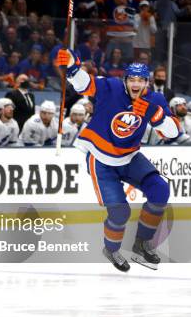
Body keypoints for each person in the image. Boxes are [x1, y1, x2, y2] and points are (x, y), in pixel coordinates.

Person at [57, 48, 181, 271]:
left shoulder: (155, 99)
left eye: (140, 80)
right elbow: (85, 84)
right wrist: (73, 67)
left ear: (147, 82)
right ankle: (111, 249)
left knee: (160, 190)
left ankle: (142, 243)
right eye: (131, 79)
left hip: (130, 156)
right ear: (125, 80)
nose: (135, 84)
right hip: (101, 158)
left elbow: (173, 132)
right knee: (120, 212)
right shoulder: (111, 87)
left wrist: (157, 116)